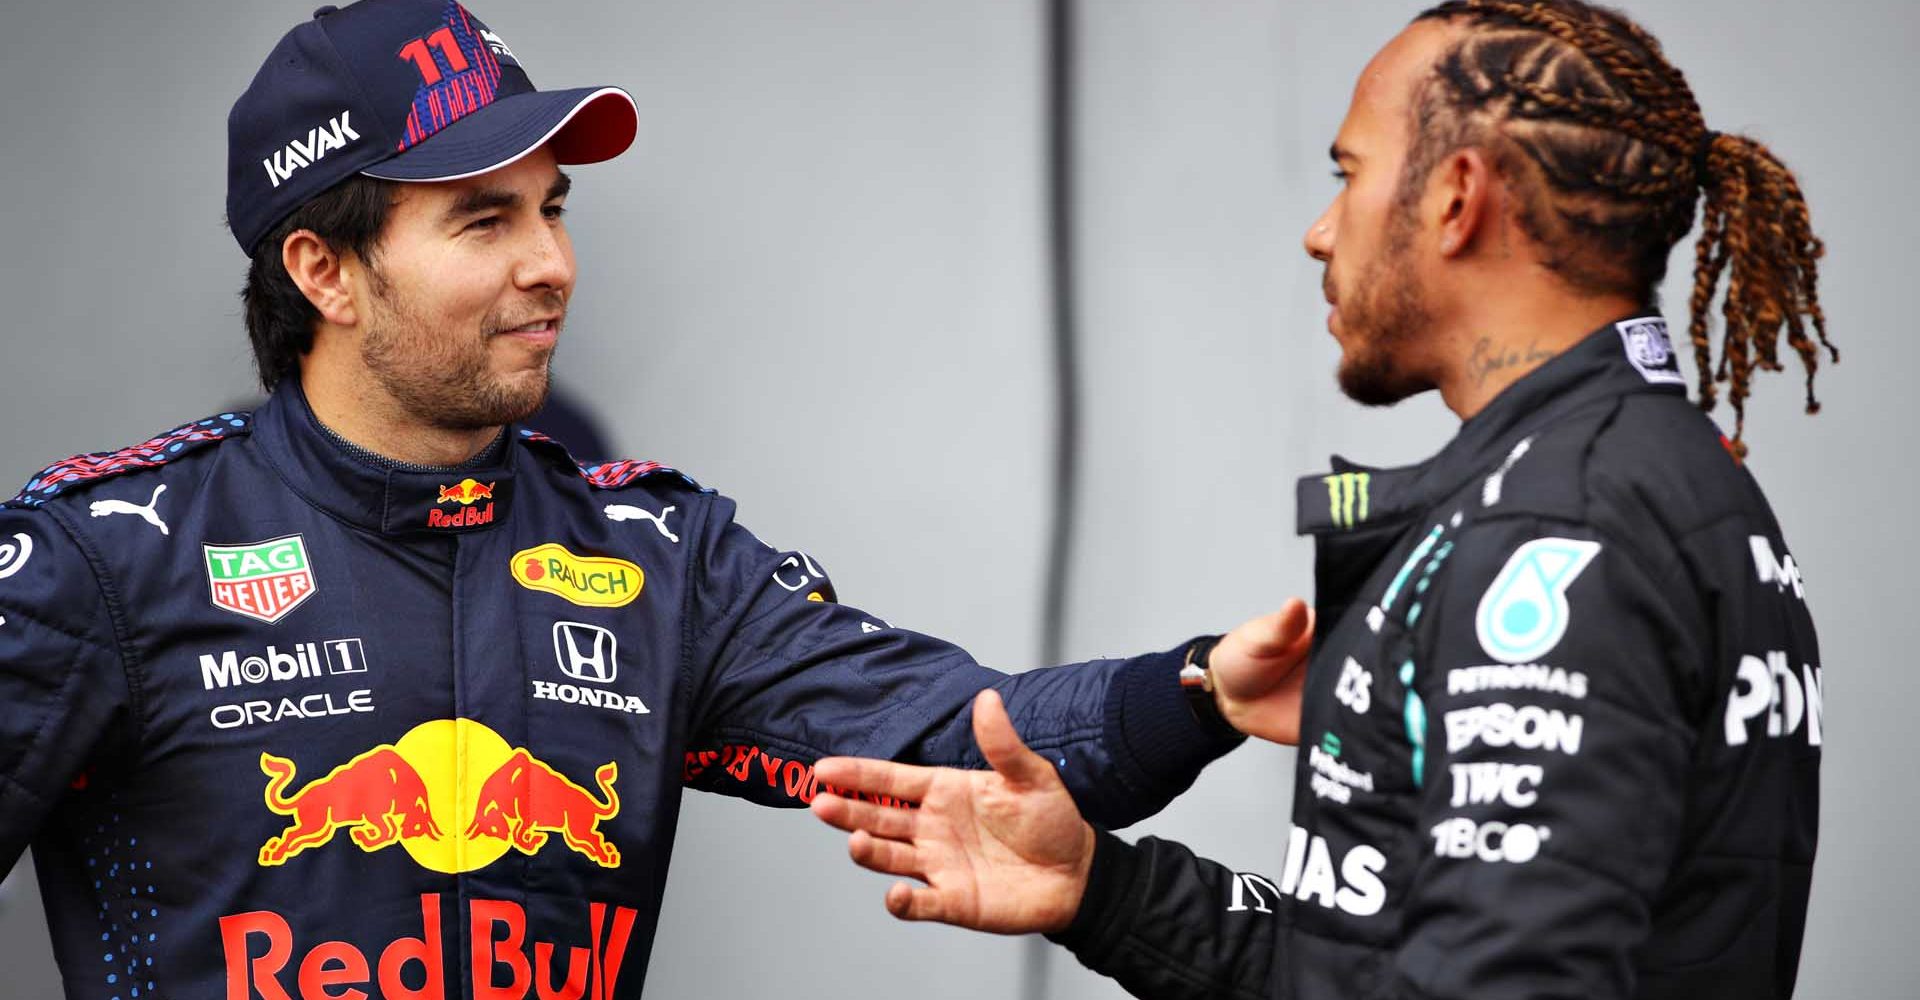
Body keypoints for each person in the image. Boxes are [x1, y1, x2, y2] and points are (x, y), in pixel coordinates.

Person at [0, 2, 1318, 997]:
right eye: (482, 221)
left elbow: (957, 747)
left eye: (552, 210)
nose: (553, 264)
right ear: (324, 271)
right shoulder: (106, 557)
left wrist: (1200, 689)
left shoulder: (659, 558)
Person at [809, 2, 1830, 998]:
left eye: (1348, 175)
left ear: (1456, 196)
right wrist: (1099, 888)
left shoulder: (1559, 526)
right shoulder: (1646, 476)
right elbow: (1389, 966)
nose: (1318, 230)